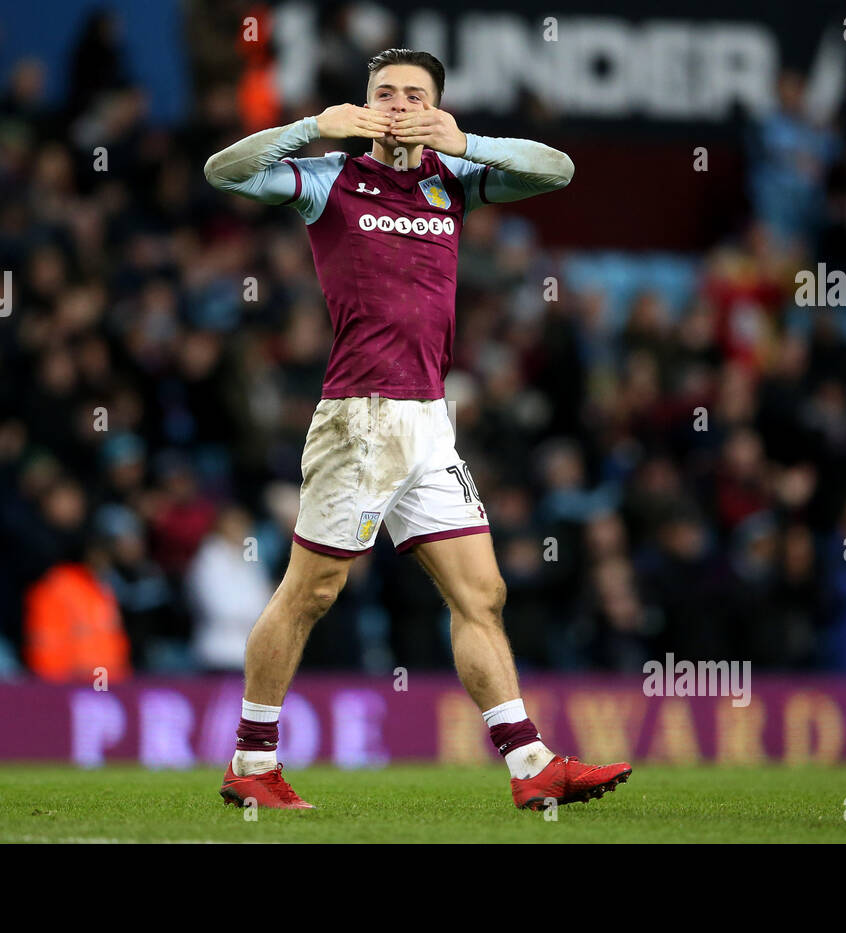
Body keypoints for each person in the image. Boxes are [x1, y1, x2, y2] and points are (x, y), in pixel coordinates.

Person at [204, 48, 630, 809]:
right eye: (384, 93)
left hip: (430, 422)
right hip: (361, 416)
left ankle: (529, 763)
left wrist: (470, 143)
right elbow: (223, 173)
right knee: (311, 591)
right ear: (363, 104)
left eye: (414, 94)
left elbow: (558, 169)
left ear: (435, 107)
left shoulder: (451, 179)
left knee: (484, 594)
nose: (398, 105)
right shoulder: (331, 177)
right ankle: (251, 760)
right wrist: (309, 126)